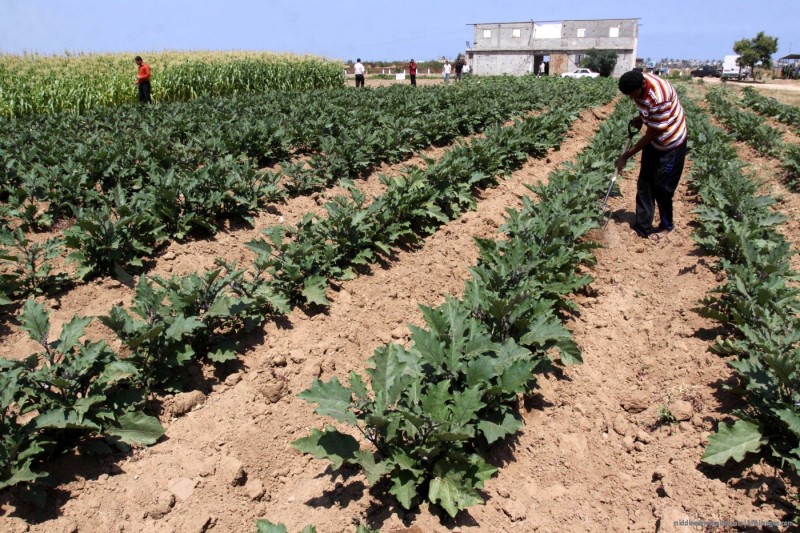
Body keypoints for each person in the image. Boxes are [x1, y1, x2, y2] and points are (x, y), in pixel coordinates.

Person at [614, 70, 687, 241]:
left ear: (643, 85)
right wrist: (641, 118)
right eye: (628, 95)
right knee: (644, 183)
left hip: (671, 143)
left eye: (633, 94)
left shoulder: (658, 97)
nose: (632, 98)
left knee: (663, 188)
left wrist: (625, 156)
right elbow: (644, 108)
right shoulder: (638, 83)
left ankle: (666, 226)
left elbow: (651, 134)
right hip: (655, 141)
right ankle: (642, 228)